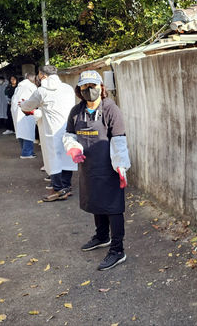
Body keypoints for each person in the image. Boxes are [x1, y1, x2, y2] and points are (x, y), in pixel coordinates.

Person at [62, 70, 130, 271]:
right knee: (94, 201)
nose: (89, 90)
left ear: (101, 87)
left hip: (109, 167)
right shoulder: (76, 111)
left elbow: (119, 140)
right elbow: (69, 135)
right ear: (79, 90)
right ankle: (102, 236)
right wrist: (73, 148)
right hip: (88, 166)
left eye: (93, 86)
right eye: (85, 87)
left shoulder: (111, 110)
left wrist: (121, 167)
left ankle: (118, 250)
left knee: (113, 207)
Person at [20, 65, 77, 201]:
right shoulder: (68, 88)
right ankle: (66, 186)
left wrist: (23, 105)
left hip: (51, 130)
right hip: (68, 128)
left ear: (42, 75)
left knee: (53, 159)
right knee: (66, 157)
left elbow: (27, 106)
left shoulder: (41, 91)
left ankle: (58, 190)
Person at [11, 73, 37, 159]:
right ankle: (27, 153)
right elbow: (37, 98)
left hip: (17, 111)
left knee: (21, 132)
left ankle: (25, 150)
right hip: (26, 111)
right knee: (28, 132)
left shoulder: (19, 87)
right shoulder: (31, 86)